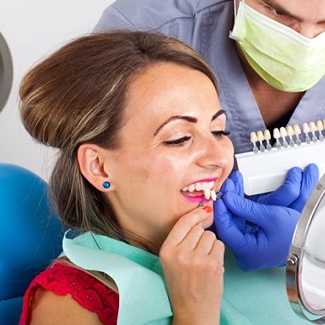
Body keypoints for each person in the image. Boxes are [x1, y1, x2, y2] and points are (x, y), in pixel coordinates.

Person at [18, 30, 317, 324]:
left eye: (218, 131)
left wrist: (309, 259)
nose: (218, 159)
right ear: (99, 167)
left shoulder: (240, 249)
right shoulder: (69, 304)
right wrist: (194, 313)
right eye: (179, 138)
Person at [93, 0, 321, 271]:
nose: (305, 41)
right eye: (277, 11)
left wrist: (313, 244)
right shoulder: (144, 31)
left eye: (219, 131)